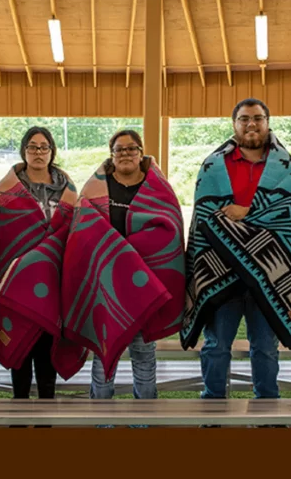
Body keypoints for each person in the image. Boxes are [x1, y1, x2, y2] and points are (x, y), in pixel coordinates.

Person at [180, 98, 291, 402]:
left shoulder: (289, 166)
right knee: (216, 345)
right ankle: (212, 406)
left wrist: (247, 213)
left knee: (265, 347)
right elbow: (204, 216)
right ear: (234, 124)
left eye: (257, 118)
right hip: (221, 270)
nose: (251, 124)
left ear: (268, 122)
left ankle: (267, 408)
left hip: (270, 272)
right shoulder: (213, 165)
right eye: (244, 119)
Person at [62, 129, 185, 402]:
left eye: (132, 149)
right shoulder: (95, 189)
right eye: (119, 150)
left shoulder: (159, 189)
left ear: (141, 154)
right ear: (112, 155)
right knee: (105, 356)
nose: (126, 154)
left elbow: (170, 231)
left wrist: (123, 249)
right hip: (106, 287)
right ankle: (103, 420)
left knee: (143, 356)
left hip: (144, 287)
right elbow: (82, 231)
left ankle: (143, 421)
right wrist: (114, 253)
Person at [0, 127, 86, 401]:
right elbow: (0, 237)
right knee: (21, 347)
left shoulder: (69, 190)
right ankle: (19, 411)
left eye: (44, 147)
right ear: (24, 151)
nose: (38, 152)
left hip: (54, 283)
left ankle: (46, 415)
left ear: (52, 152)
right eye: (33, 147)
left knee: (48, 348)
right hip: (19, 285)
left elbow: (77, 232)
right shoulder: (7, 191)